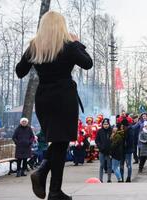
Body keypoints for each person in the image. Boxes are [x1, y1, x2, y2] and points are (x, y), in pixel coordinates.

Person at [16, 11, 93, 200]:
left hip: (43, 99)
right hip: (64, 97)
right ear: (61, 26)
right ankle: (48, 182)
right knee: (61, 141)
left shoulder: (35, 46)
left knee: (59, 142)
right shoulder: (67, 46)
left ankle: (53, 188)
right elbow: (88, 63)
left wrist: (31, 53)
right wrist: (77, 43)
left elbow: (20, 71)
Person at [95, 118, 112, 183]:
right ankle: (100, 179)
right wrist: (100, 147)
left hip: (109, 152)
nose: (106, 125)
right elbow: (97, 140)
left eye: (107, 124)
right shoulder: (100, 131)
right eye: (104, 124)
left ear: (109, 124)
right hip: (102, 151)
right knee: (101, 165)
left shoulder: (111, 131)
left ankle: (109, 179)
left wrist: (111, 149)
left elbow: (113, 141)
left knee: (109, 166)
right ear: (102, 124)